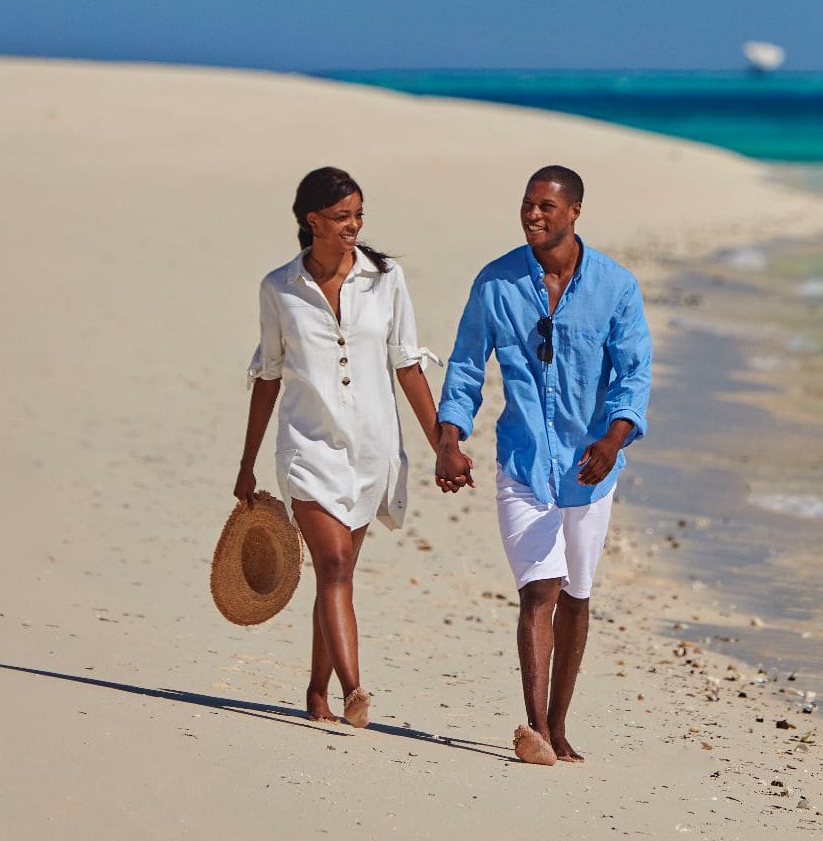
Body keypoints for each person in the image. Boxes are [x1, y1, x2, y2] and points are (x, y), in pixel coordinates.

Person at [434, 165, 650, 766]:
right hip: (523, 463)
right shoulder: (496, 283)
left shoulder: (616, 287)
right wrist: (449, 440)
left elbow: (634, 375)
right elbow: (466, 367)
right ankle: (534, 730)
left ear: (575, 211)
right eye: (527, 204)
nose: (533, 215)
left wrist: (614, 439)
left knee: (577, 596)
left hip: (589, 469)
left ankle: (559, 726)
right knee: (540, 591)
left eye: (546, 206)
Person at [234, 166, 446, 728]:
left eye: (358, 215)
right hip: (306, 447)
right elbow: (269, 375)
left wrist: (441, 444)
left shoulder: (386, 278)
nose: (353, 226)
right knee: (331, 564)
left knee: (340, 573)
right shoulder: (279, 287)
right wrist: (246, 462)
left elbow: (406, 363)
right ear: (312, 220)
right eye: (341, 216)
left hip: (372, 448)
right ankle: (355, 690)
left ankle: (316, 692)